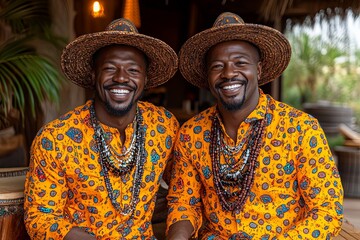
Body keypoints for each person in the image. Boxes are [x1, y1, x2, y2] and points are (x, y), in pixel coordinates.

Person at [166, 12, 343, 240]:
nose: (229, 73)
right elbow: (183, 202)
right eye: (218, 66)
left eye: (240, 63)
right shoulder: (192, 133)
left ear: (258, 70)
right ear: (207, 76)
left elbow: (328, 211)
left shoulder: (301, 129)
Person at [24, 18, 180, 239]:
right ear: (93, 75)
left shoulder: (163, 125)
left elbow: (185, 189)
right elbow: (40, 218)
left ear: (145, 79)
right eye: (109, 68)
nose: (121, 78)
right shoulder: (55, 139)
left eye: (133, 70)